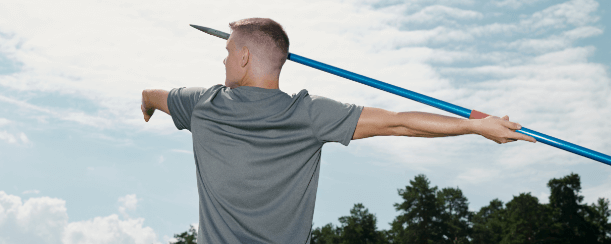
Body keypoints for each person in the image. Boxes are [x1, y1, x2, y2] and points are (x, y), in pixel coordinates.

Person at [140, 18, 535, 243]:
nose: (223, 61)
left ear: (244, 57)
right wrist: (475, 126)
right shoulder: (310, 114)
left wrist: (146, 104)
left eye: (227, 52)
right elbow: (399, 123)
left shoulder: (202, 104)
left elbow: (154, 95)